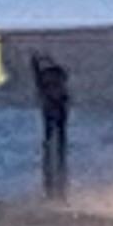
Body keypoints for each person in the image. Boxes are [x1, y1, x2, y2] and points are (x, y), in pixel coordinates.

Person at [30, 50, 73, 200]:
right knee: (51, 158)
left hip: (56, 128)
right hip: (51, 129)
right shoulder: (49, 93)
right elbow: (38, 78)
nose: (52, 88)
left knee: (58, 158)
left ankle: (60, 192)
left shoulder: (60, 98)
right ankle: (52, 192)